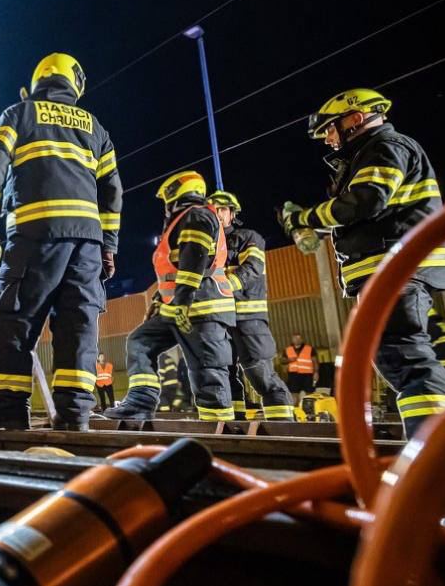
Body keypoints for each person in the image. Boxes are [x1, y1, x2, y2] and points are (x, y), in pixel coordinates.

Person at [281, 88, 445, 439]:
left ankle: (440, 448)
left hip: (397, 269)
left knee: (405, 355)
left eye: (330, 128)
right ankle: (433, 443)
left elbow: (366, 201)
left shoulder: (385, 148)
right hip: (389, 270)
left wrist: (308, 218)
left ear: (355, 119)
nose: (328, 139)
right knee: (397, 354)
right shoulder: (371, 153)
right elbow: (365, 214)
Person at [0, 52, 122, 431]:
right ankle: (74, 415)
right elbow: (113, 190)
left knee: (16, 319)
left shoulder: (19, 114)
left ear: (38, 82)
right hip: (86, 245)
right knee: (78, 326)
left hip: (35, 237)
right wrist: (109, 245)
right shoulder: (94, 126)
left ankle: (7, 408)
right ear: (75, 85)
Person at [105, 170, 235, 422]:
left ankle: (220, 432)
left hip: (201, 308)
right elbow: (172, 271)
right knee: (140, 342)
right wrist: (158, 300)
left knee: (207, 372)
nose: (165, 205)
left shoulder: (197, 216)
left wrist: (181, 302)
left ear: (178, 194)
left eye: (168, 198)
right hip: (178, 307)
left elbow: (194, 260)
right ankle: (140, 402)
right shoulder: (186, 219)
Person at [207, 190, 294, 420]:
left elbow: (252, 268)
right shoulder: (206, 246)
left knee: (259, 372)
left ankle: (284, 425)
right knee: (224, 374)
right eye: (212, 210)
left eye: (222, 209)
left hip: (248, 317)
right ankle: (234, 425)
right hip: (219, 319)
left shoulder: (249, 237)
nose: (217, 214)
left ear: (232, 213)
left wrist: (223, 288)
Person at [284, 334, 316, 403]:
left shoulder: (309, 348)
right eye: (295, 338)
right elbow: (282, 360)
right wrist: (289, 360)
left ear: (302, 339)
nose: (297, 340)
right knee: (294, 393)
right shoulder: (287, 349)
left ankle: (310, 408)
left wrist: (316, 372)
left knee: (309, 393)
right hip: (293, 375)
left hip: (307, 375)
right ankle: (296, 410)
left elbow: (315, 361)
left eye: (299, 338)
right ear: (292, 340)